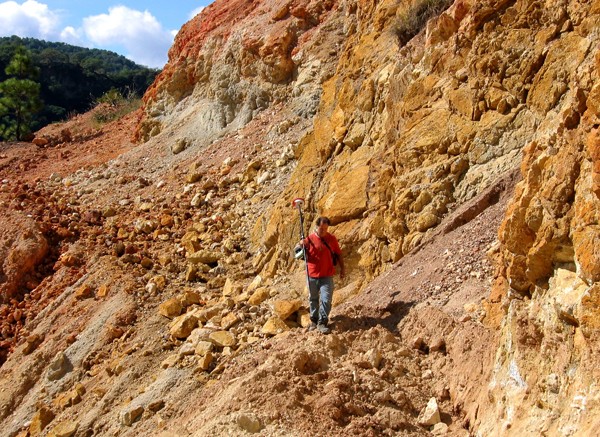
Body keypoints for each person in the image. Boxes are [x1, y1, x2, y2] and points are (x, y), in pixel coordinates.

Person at [298, 216, 345, 334]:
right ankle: (314, 320)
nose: (323, 231)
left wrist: (342, 268)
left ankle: (322, 322)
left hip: (326, 275)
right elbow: (297, 253)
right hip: (311, 275)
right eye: (321, 228)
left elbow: (338, 254)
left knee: (326, 299)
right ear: (316, 226)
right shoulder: (309, 239)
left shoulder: (331, 239)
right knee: (313, 299)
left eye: (326, 228)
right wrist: (300, 245)